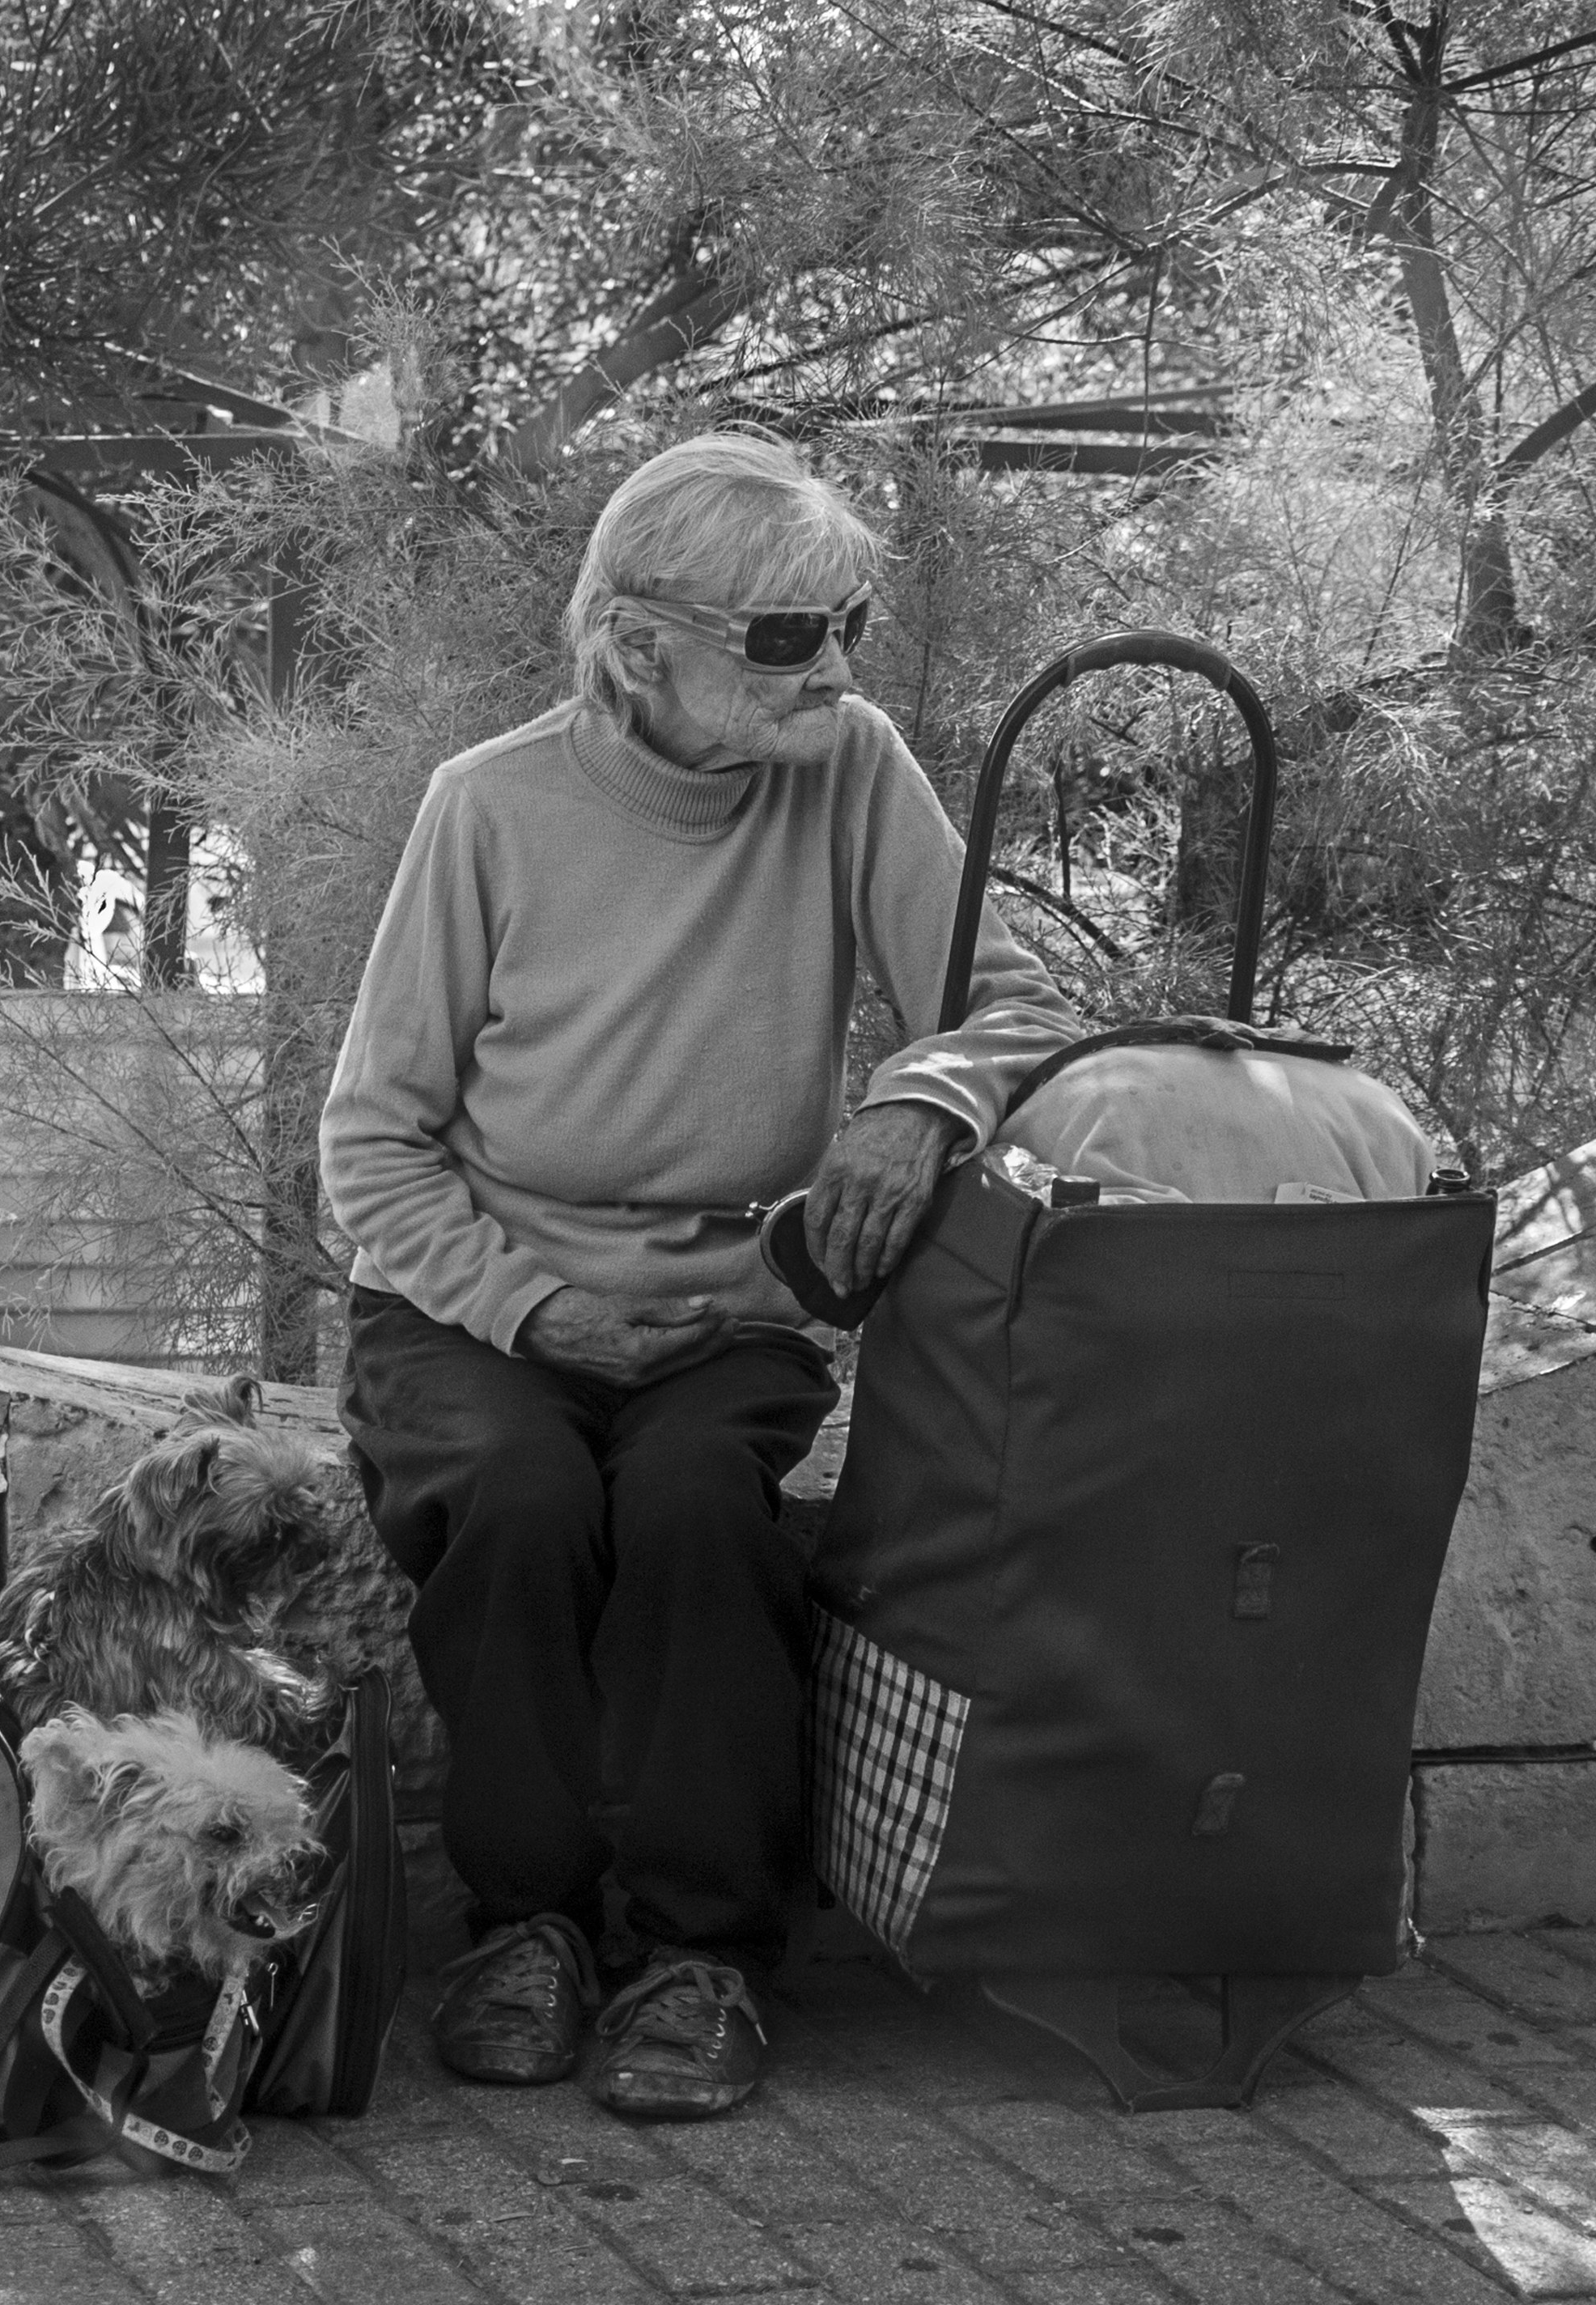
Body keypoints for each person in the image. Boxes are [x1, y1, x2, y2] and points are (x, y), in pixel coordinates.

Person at [320, 430, 1080, 2120]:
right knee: (517, 1494)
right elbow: (369, 1145)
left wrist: (910, 1100)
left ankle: (700, 1952)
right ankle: (523, 1929)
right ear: (635, 640)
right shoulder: (487, 806)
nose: (837, 667)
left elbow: (1012, 1003)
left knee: (690, 1509)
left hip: (719, 1308)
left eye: (849, 621)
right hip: (469, 1290)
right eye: (787, 636)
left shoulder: (849, 764)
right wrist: (535, 1308)